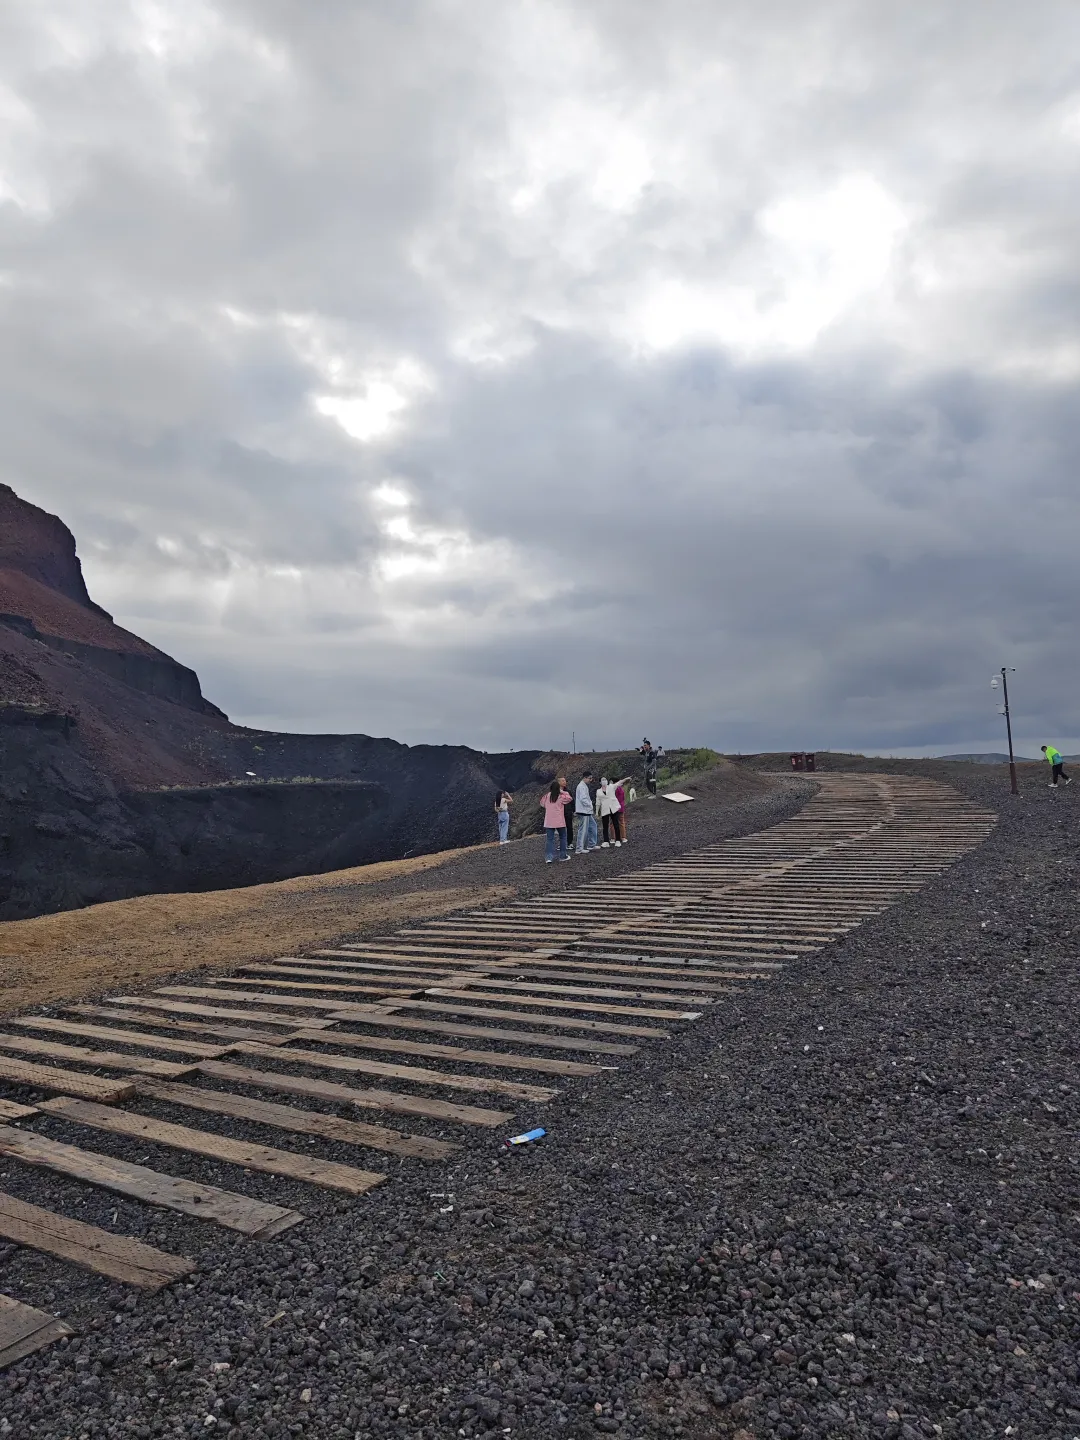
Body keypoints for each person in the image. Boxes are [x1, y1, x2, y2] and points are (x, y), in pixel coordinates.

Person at [540, 778, 573, 862]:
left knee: (549, 839)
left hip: (549, 821)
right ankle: (562, 856)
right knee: (563, 837)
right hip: (559, 821)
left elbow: (542, 803)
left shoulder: (547, 796)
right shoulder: (561, 796)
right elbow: (570, 798)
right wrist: (562, 791)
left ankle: (548, 857)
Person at [596, 776, 623, 847]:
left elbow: (618, 783)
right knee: (605, 826)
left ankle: (617, 840)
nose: (604, 781)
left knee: (616, 824)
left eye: (605, 779)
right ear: (600, 782)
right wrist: (596, 812)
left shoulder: (611, 787)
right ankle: (606, 841)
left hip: (613, 808)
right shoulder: (598, 791)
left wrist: (626, 779)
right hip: (605, 809)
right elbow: (598, 802)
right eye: (602, 780)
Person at [574, 770, 596, 853]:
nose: (590, 780)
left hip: (586, 811)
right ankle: (579, 848)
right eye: (589, 778)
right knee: (583, 829)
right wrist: (590, 805)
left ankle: (591, 844)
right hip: (583, 811)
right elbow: (583, 799)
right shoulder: (581, 786)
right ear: (585, 778)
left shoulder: (584, 786)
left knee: (592, 826)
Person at [614, 776, 630, 843]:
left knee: (614, 823)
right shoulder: (621, 789)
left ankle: (614, 838)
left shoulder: (614, 789)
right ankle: (623, 837)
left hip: (615, 808)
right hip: (621, 807)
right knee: (621, 822)